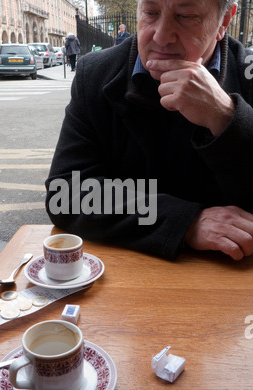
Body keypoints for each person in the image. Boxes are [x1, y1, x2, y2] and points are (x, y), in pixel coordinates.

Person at [46, 0, 253, 262]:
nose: (162, 36)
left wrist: (225, 116)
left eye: (186, 16)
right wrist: (185, 222)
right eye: (151, 13)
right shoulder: (95, 74)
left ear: (224, 21)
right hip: (126, 279)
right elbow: (65, 194)